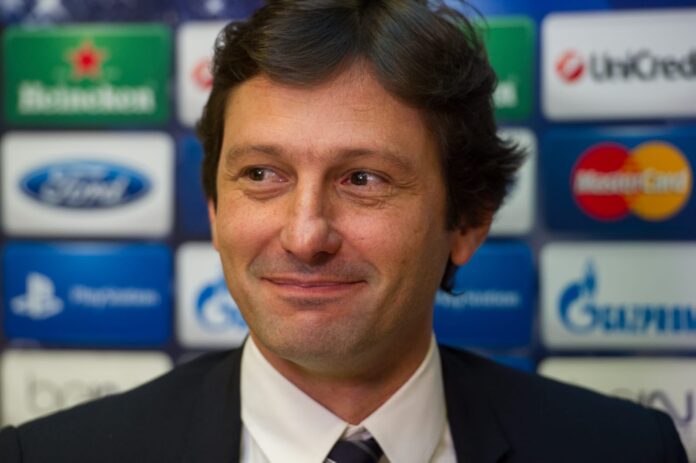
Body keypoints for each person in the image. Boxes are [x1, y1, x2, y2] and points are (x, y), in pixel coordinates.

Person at [0, 0, 687, 462]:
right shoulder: (50, 455)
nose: (305, 235)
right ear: (213, 207)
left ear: (469, 219)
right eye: (261, 174)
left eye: (363, 179)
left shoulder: (625, 449)